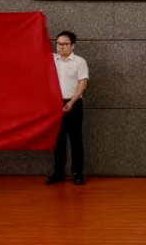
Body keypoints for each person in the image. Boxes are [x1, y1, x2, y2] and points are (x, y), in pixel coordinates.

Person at [47, 31, 90, 186]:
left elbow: (83, 83)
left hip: (74, 103)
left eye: (65, 44)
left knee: (75, 140)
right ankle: (59, 172)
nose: (61, 47)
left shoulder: (80, 62)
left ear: (73, 45)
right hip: (55, 105)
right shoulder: (51, 59)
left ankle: (77, 173)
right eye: (58, 43)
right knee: (58, 140)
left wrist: (71, 102)